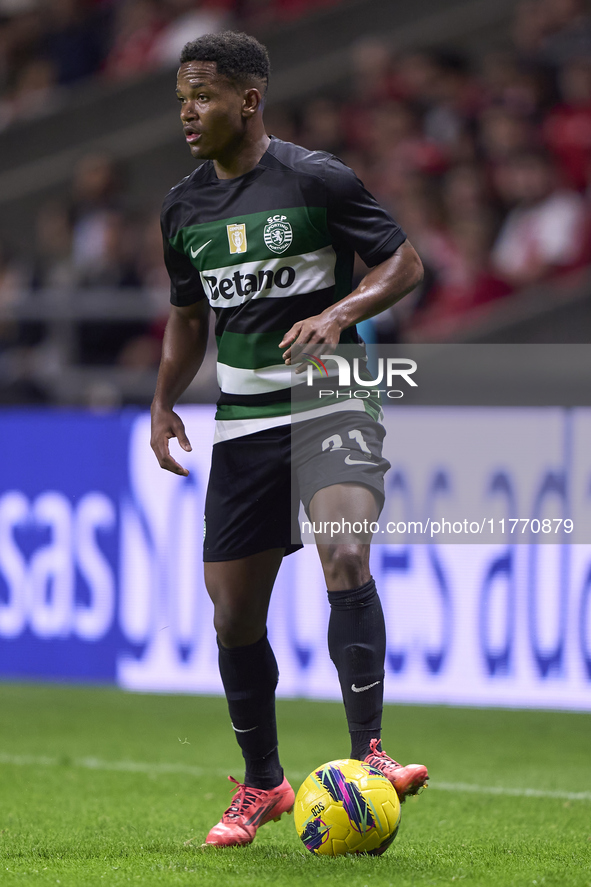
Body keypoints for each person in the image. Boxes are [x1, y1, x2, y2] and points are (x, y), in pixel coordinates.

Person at [150, 30, 428, 848]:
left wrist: (340, 312)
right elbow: (189, 317)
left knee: (345, 554)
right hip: (242, 419)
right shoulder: (183, 206)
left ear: (249, 98)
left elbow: (404, 263)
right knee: (233, 616)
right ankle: (264, 784)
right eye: (179, 100)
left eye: (202, 96)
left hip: (333, 393)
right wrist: (164, 401)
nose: (188, 113)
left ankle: (369, 755)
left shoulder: (316, 178)